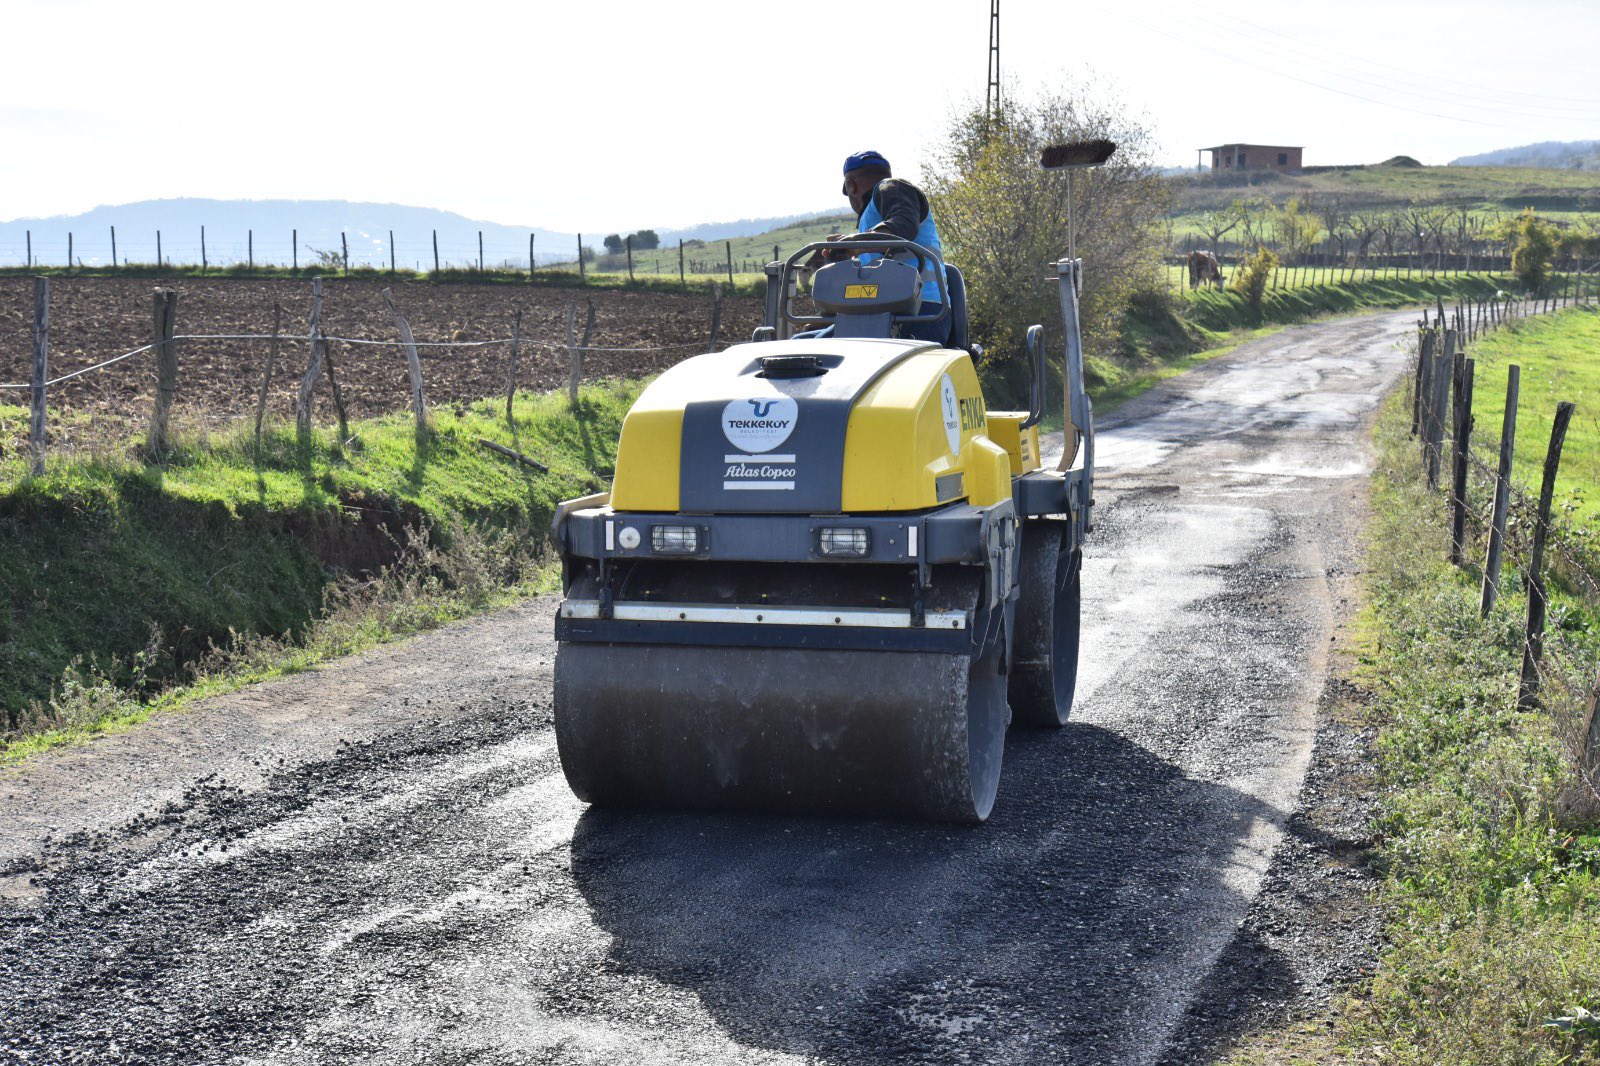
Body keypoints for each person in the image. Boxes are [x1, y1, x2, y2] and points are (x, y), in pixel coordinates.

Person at [802, 150, 951, 345]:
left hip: (918, 312)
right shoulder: (873, 215)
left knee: (809, 352)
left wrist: (854, 244)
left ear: (851, 186)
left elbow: (902, 223)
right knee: (803, 339)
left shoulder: (892, 188)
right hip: (883, 313)